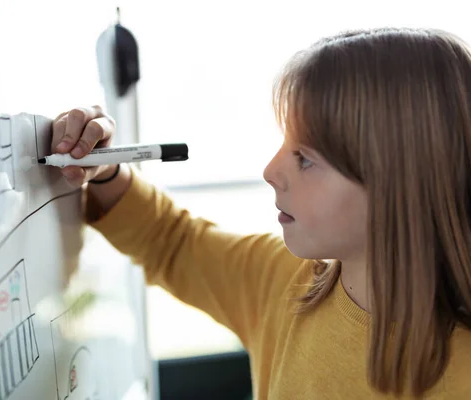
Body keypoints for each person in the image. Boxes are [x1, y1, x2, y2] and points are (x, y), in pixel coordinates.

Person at [51, 27, 471, 399]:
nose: (271, 171)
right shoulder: (281, 282)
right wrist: (104, 169)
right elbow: (171, 242)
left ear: (399, 184)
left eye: (305, 158)